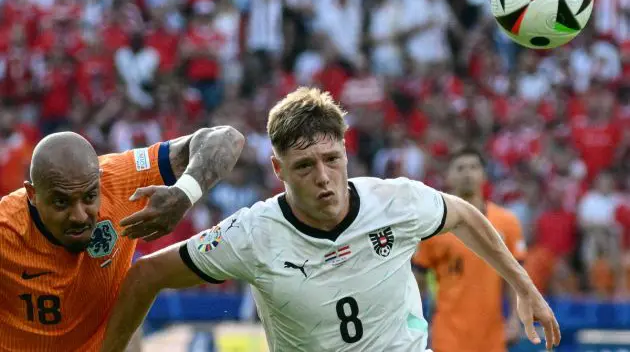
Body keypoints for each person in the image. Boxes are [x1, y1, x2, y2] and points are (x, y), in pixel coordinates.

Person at [101, 87, 561, 352]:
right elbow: (145, 274)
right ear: (279, 170)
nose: (324, 178)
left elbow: (463, 215)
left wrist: (525, 288)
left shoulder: (396, 201)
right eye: (304, 166)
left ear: (346, 153)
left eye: (332, 159)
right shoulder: (251, 235)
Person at [0, 127, 244, 351]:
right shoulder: (6, 229)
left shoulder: (121, 179)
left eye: (89, 197)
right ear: (32, 194)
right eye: (61, 202)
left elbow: (226, 138)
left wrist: (184, 193)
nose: (79, 215)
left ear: (100, 180)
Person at [412, 148, 527, 352]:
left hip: (492, 337)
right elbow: (416, 283)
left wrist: (516, 320)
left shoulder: (507, 223)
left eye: (474, 167)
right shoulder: (434, 225)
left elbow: (517, 279)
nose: (467, 173)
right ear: (449, 176)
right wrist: (417, 326)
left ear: (484, 175)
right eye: (460, 168)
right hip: (448, 336)